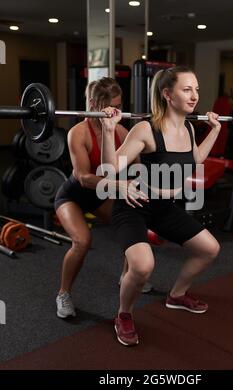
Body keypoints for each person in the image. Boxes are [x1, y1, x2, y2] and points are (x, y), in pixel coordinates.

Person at [100, 66, 221, 346]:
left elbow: (196, 160)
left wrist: (215, 130)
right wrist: (108, 130)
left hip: (165, 207)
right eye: (187, 89)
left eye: (196, 89)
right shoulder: (146, 128)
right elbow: (109, 170)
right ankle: (124, 315)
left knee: (209, 249)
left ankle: (177, 295)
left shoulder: (189, 127)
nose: (194, 96)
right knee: (143, 267)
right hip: (134, 205)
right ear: (167, 94)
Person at [54, 77, 151, 319]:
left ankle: (126, 275)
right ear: (94, 104)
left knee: (133, 222)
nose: (118, 111)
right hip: (72, 197)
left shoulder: (121, 130)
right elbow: (84, 177)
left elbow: (139, 167)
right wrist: (120, 185)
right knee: (82, 241)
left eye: (120, 105)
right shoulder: (78, 133)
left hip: (100, 195)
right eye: (113, 106)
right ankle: (63, 293)